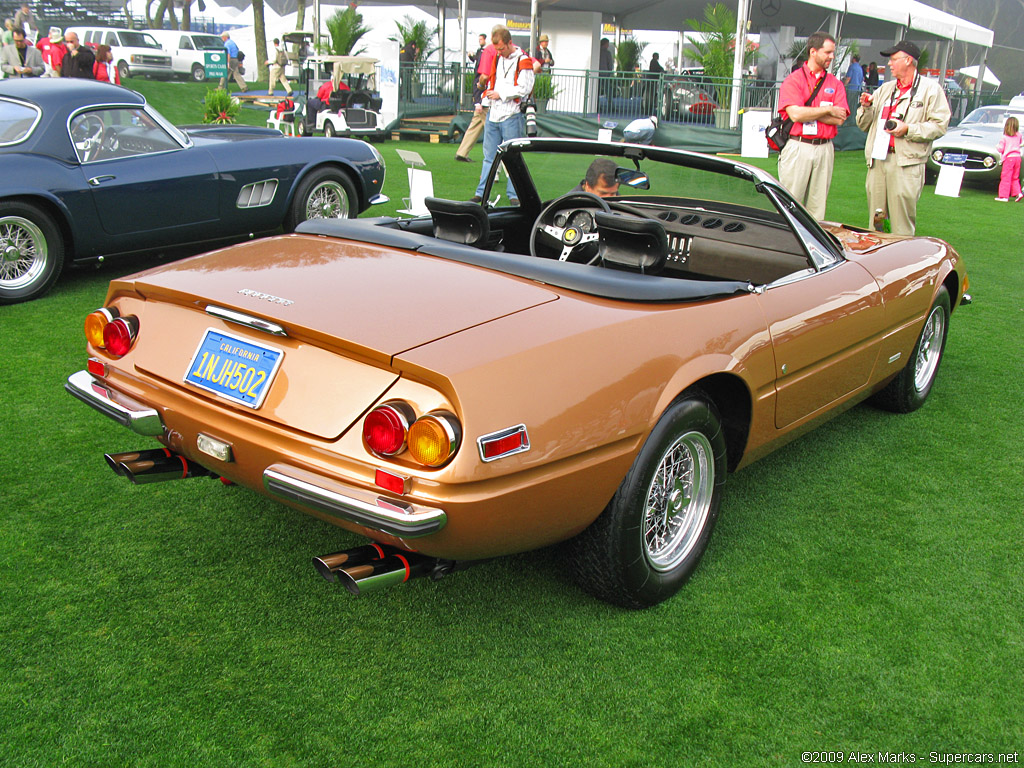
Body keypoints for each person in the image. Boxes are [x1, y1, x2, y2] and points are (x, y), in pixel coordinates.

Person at [856, 40, 950, 236]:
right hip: (878, 161)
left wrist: (908, 129)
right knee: (877, 221)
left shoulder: (931, 89)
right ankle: (876, 262)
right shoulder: (885, 89)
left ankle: (902, 264)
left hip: (906, 164)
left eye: (893, 59)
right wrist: (865, 107)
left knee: (901, 225)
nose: (889, 64)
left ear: (908, 61)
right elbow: (864, 125)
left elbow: (939, 125)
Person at [776, 31, 850, 220]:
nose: (831, 57)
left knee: (817, 208)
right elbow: (795, 114)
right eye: (827, 52)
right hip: (798, 146)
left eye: (833, 52)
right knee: (790, 203)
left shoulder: (835, 83)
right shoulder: (794, 80)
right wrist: (828, 110)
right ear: (813, 51)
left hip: (825, 147)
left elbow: (840, 118)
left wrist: (811, 112)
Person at [472, 25, 534, 205]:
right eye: (496, 49)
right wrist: (487, 94)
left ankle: (514, 196)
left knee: (513, 159)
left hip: (511, 115)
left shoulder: (523, 60)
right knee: (489, 158)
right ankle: (481, 193)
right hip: (494, 113)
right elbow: (492, 80)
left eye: (501, 48)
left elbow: (525, 88)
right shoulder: (498, 58)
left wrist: (501, 94)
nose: (499, 52)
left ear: (509, 43)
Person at [455, 38, 496, 163]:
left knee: (475, 126)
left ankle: (462, 152)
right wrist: (477, 101)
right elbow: (478, 80)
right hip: (485, 102)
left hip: (484, 101)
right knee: (494, 133)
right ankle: (503, 165)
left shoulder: (486, 56)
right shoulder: (486, 58)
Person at [994, 116, 1022, 202]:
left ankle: (1004, 196)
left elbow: (1001, 149)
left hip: (1009, 159)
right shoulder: (1019, 135)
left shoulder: (1004, 138)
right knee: (1015, 177)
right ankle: (1018, 193)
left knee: (1006, 177)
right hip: (1017, 157)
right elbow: (1020, 142)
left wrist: (997, 146)